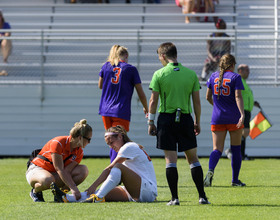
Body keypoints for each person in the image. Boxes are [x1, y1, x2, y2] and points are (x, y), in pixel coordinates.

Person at [148, 42, 210, 205]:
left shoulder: (159, 74)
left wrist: (150, 122)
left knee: (171, 160)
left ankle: (175, 198)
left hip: (166, 120)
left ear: (162, 56)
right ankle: (202, 197)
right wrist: (197, 121)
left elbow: (153, 100)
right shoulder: (190, 74)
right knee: (193, 159)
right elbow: (197, 101)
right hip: (185, 119)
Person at [51, 125, 158, 203]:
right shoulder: (128, 148)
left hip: (146, 190)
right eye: (108, 144)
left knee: (117, 167)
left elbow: (110, 168)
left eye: (111, 142)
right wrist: (94, 188)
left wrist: (93, 185)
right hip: (141, 191)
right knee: (100, 191)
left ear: (120, 137)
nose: (111, 147)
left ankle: (98, 198)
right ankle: (65, 198)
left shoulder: (128, 146)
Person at [98, 45, 148, 163]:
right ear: (126, 55)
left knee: (112, 141)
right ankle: (115, 171)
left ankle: (115, 169)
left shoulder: (106, 66)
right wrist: (147, 108)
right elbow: (141, 93)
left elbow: (100, 86)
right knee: (119, 142)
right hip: (120, 110)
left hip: (105, 110)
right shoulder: (130, 69)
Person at [204, 54, 246, 187]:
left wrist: (217, 107)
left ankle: (210, 171)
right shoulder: (235, 77)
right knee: (236, 149)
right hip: (234, 117)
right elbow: (238, 97)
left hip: (217, 117)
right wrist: (242, 114)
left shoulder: (213, 76)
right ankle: (234, 180)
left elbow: (207, 97)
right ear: (233, 64)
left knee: (217, 149)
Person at [26, 119, 92, 202]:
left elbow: (66, 171)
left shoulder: (79, 152)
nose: (89, 142)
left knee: (83, 170)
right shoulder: (58, 142)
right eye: (88, 139)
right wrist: (74, 188)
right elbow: (59, 169)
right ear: (80, 138)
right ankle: (35, 192)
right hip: (37, 169)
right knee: (48, 180)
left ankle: (60, 195)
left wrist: (71, 188)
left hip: (55, 174)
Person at [225, 64, 261, 160]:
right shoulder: (238, 80)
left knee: (244, 133)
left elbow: (244, 97)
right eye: (247, 70)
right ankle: (233, 151)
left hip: (247, 111)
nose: (249, 72)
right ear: (240, 71)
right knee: (243, 132)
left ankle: (240, 155)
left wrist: (253, 103)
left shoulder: (244, 82)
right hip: (241, 111)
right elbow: (235, 96)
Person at [0, 10, 12, 76]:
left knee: (5, 40)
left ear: (1, 17)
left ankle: (5, 60)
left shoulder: (6, 24)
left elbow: (8, 34)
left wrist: (3, 36)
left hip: (5, 46)